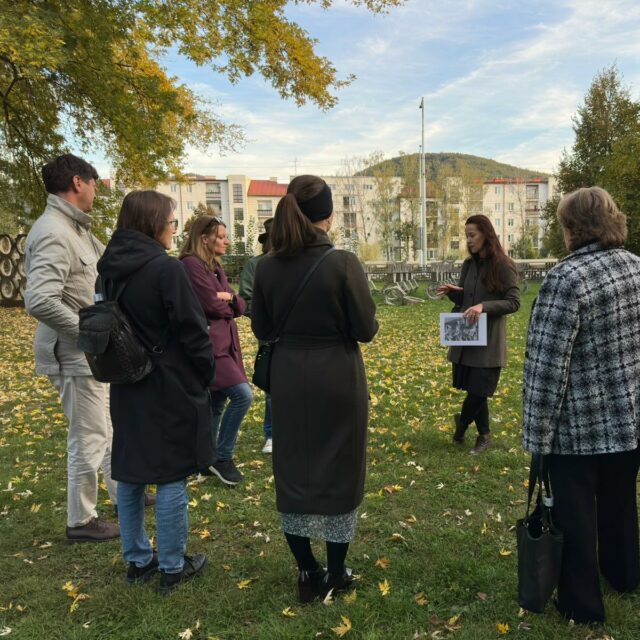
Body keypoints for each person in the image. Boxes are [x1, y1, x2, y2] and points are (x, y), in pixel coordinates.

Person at [251, 175, 378, 603]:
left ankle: (307, 571)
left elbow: (262, 328)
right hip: (337, 376)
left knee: (293, 469)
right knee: (341, 469)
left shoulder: (267, 266)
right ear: (328, 214)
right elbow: (365, 329)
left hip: (288, 377)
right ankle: (336, 571)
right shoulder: (343, 263)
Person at [522, 187, 640, 624]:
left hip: (579, 427)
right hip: (631, 420)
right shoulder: (636, 269)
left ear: (571, 228)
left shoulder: (566, 279)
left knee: (573, 517)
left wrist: (538, 438)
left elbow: (546, 366)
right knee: (621, 502)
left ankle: (581, 602)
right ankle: (625, 573)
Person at [98, 190, 216, 594]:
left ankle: (136, 559)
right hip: (167, 381)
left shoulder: (107, 270)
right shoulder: (166, 271)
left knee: (130, 472)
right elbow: (193, 330)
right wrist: (205, 374)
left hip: (126, 380)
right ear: (152, 223)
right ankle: (170, 565)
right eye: (170, 220)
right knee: (170, 475)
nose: (173, 228)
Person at [24, 154, 123, 542]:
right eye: (95, 183)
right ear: (78, 183)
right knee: (88, 435)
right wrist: (89, 334)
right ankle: (80, 520)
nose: (97, 190)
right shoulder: (53, 231)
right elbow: (39, 300)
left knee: (106, 427)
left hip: (90, 356)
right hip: (73, 355)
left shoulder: (76, 229)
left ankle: (122, 491)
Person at [438, 214, 520, 454]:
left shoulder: (504, 264)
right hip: (467, 336)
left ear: (487, 234)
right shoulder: (468, 264)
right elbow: (466, 298)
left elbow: (514, 302)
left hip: (489, 341)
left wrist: (484, 306)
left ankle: (462, 426)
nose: (469, 240)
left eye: (472, 235)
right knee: (475, 390)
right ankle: (484, 435)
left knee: (480, 390)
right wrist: (455, 292)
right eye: (466, 236)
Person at [180, 216, 252, 486]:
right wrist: (225, 301)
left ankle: (204, 460)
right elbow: (210, 304)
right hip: (211, 348)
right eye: (221, 236)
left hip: (226, 345)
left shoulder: (215, 268)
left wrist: (230, 298)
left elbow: (241, 305)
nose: (226, 240)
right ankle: (222, 456)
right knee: (242, 396)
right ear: (204, 238)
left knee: (217, 403)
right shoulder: (190, 264)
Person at [239, 218, 274, 454]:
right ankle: (272, 433)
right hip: (270, 335)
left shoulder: (297, 261)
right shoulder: (256, 265)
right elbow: (246, 300)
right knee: (272, 384)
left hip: (298, 335)